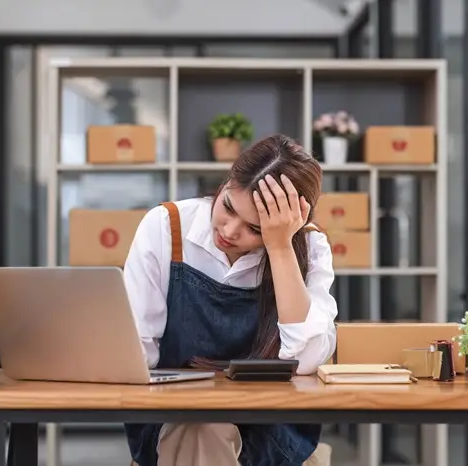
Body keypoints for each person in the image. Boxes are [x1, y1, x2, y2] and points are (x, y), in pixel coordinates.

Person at [123, 133, 338, 466]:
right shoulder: (167, 227)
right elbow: (137, 352)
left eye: (255, 229)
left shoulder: (309, 248)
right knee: (203, 426)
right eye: (227, 207)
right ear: (226, 182)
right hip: (178, 419)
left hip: (272, 427)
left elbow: (307, 360)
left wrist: (280, 247)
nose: (230, 230)